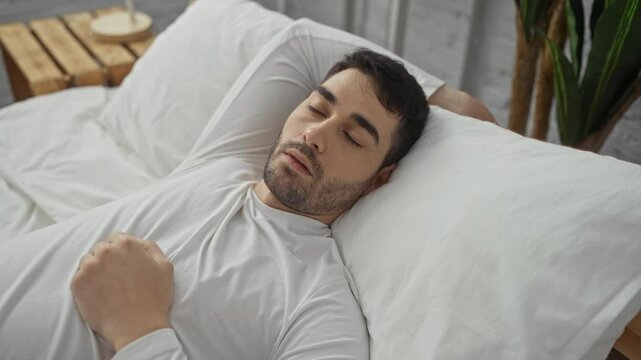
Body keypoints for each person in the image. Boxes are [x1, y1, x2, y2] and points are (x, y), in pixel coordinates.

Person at [1, 20, 493, 360]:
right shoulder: (222, 163)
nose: (315, 135)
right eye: (317, 109)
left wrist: (138, 330)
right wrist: (448, 96)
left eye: (353, 136)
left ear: (380, 179)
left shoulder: (317, 304)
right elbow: (299, 43)